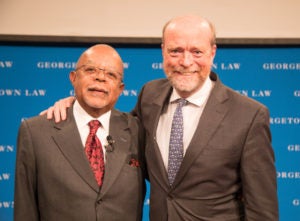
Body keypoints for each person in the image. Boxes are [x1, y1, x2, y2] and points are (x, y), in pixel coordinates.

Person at [42, 15, 279, 220]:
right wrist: (78, 104)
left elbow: (263, 210)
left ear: (212, 53)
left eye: (197, 51)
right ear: (163, 50)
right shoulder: (150, 95)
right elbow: (118, 132)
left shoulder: (249, 115)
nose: (186, 62)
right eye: (176, 51)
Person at [14, 44, 146, 221]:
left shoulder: (138, 130)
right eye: (91, 70)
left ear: (120, 89)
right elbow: (25, 210)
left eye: (111, 74)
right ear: (73, 77)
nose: (100, 78)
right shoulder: (35, 132)